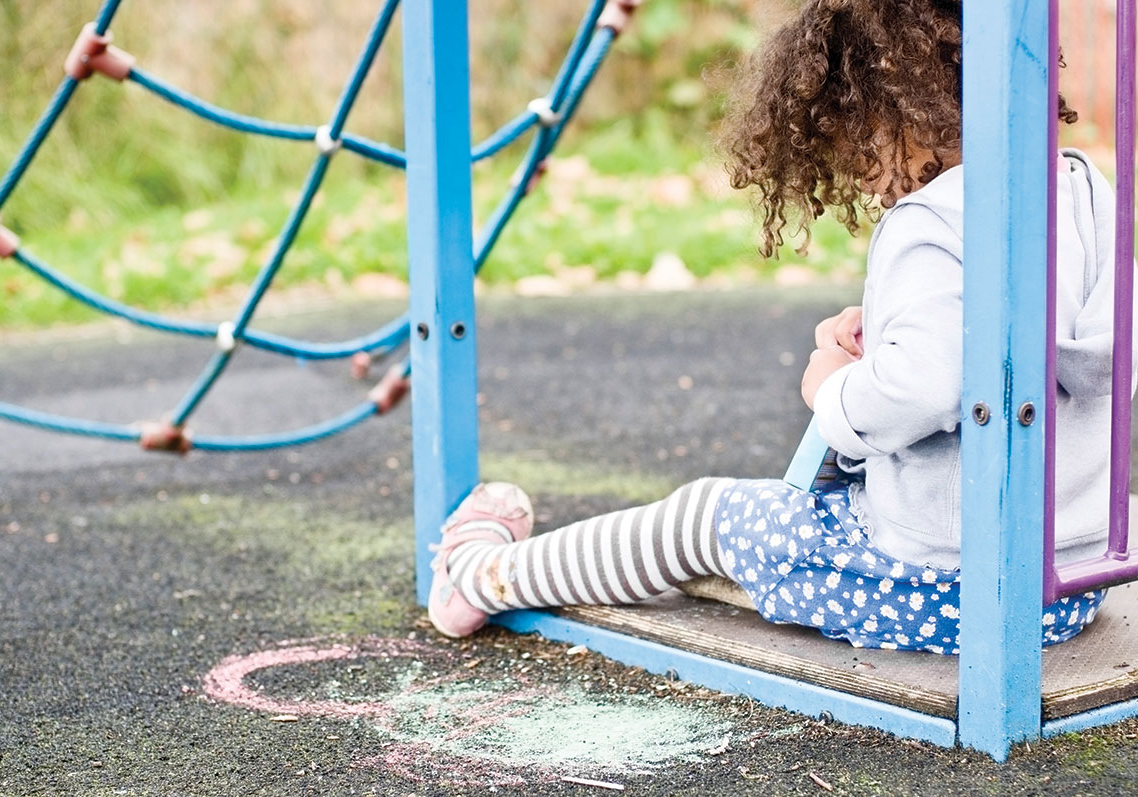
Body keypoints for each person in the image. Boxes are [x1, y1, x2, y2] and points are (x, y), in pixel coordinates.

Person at [426, 0, 1124, 654]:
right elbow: (1020, 334)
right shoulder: (1081, 189)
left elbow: (922, 385)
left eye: (861, 144)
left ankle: (486, 576)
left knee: (700, 518)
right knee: (769, 533)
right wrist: (886, 331)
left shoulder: (932, 222)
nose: (865, 175)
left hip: (953, 587)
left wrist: (834, 389)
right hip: (1067, 581)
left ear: (899, 110)